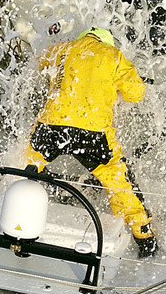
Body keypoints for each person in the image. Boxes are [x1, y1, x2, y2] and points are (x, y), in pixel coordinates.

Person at [26, 26, 156, 256]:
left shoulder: (62, 48)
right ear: (108, 42)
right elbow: (136, 94)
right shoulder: (114, 56)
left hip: (52, 126)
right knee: (116, 180)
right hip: (94, 133)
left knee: (27, 164)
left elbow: (39, 63)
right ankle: (144, 238)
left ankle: (6, 205)